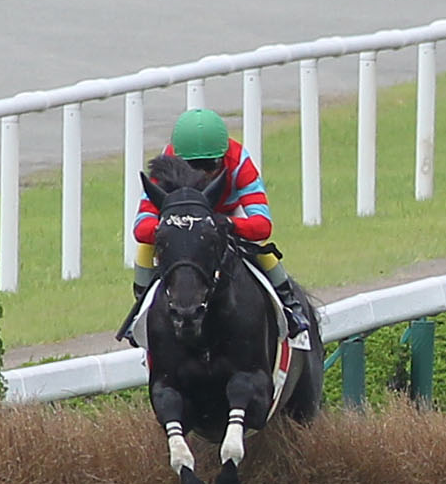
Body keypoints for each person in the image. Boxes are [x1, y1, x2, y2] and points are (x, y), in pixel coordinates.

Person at [122, 107, 316, 347]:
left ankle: (290, 305)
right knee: (144, 249)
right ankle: (141, 311)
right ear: (179, 160)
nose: (203, 174)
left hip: (226, 215)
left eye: (210, 165)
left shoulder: (239, 161)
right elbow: (142, 226)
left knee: (261, 246)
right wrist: (178, 227)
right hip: (181, 222)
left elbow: (263, 225)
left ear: (223, 158)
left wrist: (228, 223)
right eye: (194, 166)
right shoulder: (167, 165)